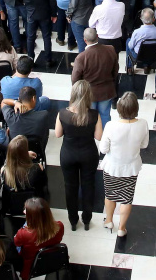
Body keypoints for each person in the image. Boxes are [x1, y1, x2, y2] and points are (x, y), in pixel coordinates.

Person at [99, 92, 149, 238]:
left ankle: (109, 220)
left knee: (110, 195)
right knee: (127, 198)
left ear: (119, 109)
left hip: (112, 167)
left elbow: (103, 149)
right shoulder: (143, 124)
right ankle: (122, 228)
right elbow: (144, 145)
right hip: (131, 168)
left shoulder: (110, 125)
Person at [56, 80, 102, 231]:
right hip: (89, 154)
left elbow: (57, 134)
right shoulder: (94, 115)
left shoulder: (62, 113)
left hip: (68, 154)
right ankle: (87, 219)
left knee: (70, 187)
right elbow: (99, 136)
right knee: (88, 186)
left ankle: (73, 220)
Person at [71, 28, 119, 127]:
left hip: (88, 94)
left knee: (89, 117)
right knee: (105, 115)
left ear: (84, 40)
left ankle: (92, 136)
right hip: (107, 91)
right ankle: (105, 137)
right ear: (97, 37)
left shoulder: (81, 57)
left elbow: (75, 79)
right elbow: (115, 71)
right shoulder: (110, 49)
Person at [13, 198, 65, 280]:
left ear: (33, 216)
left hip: (31, 265)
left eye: (27, 211)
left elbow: (15, 243)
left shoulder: (23, 233)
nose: (23, 212)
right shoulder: (59, 226)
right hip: (53, 260)